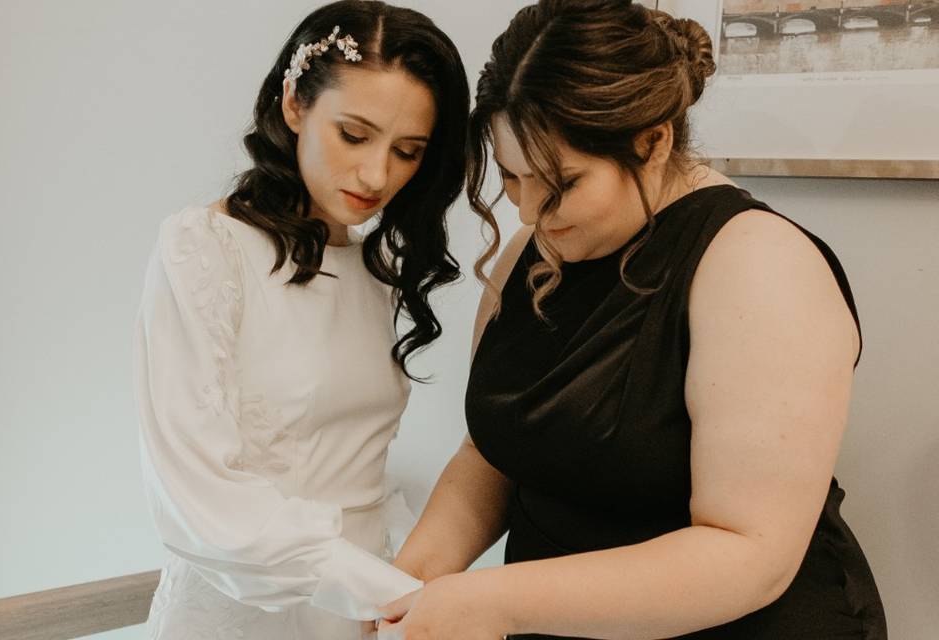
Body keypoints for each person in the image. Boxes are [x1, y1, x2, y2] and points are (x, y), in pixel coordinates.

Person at [375, 1, 887, 638]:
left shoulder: (759, 263)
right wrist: (414, 578)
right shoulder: (531, 252)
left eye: (562, 183)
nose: (531, 213)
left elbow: (750, 553)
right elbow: (492, 451)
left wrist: (494, 600)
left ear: (654, 142)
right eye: (512, 176)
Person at [133, 1, 469, 638]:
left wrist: (406, 581)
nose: (377, 175)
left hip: (370, 606)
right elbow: (199, 497)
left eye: (408, 150)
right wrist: (385, 591)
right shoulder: (204, 250)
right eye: (354, 134)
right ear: (294, 103)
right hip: (253, 614)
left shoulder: (372, 271)